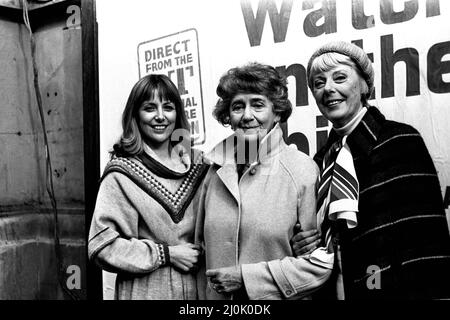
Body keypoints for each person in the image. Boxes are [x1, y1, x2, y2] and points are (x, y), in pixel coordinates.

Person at [291, 41, 450, 299]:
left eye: (339, 77)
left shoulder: (400, 140)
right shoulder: (319, 160)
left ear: (365, 85)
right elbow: (326, 238)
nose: (328, 88)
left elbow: (427, 237)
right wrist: (306, 244)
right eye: (318, 83)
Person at [195, 62, 333, 300]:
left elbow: (319, 265)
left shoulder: (302, 170)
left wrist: (247, 280)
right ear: (228, 115)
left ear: (277, 111)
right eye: (238, 106)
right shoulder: (213, 171)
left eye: (258, 105)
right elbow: (201, 254)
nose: (247, 116)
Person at [88, 74, 208, 299]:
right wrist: (166, 254)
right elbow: (102, 246)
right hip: (146, 291)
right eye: (150, 108)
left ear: (178, 114)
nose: (160, 117)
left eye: (168, 107)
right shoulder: (121, 174)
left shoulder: (202, 165)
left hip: (198, 290)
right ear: (135, 115)